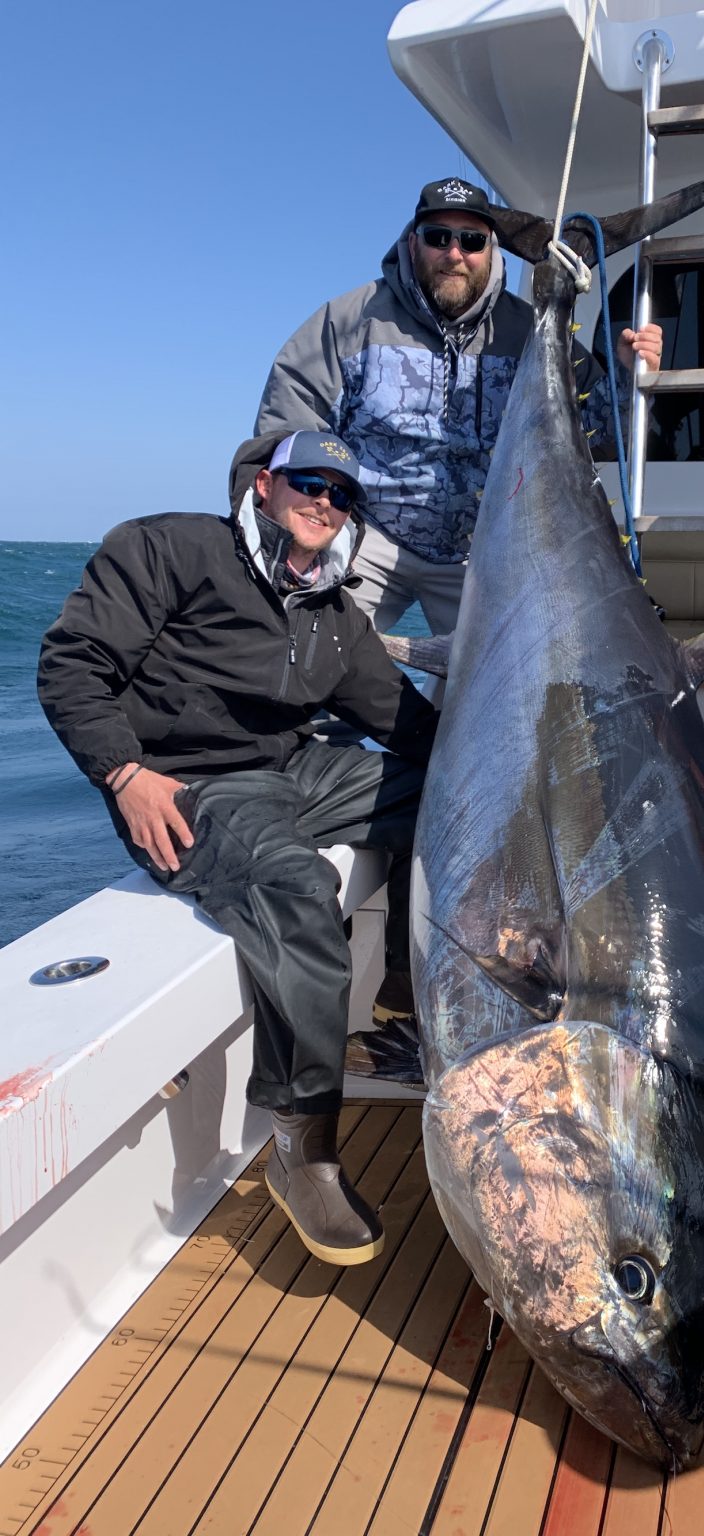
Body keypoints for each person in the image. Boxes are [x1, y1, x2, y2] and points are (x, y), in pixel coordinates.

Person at [38, 430, 439, 1267]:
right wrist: (122, 774)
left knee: (445, 791)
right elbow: (72, 662)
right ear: (265, 486)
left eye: (341, 493)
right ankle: (305, 1147)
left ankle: (411, 989)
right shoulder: (171, 548)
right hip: (184, 788)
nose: (325, 501)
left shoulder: (333, 614)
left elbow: (407, 724)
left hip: (292, 771)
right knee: (298, 891)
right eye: (309, 482)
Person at [255, 176, 663, 646]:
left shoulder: (530, 333)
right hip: (370, 539)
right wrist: (295, 531)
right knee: (302, 649)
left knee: (505, 685)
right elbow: (289, 426)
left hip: (485, 550)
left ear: (492, 251)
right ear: (413, 243)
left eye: (471, 240)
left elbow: (605, 438)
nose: (455, 253)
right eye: (438, 237)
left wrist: (630, 374)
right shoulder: (348, 321)